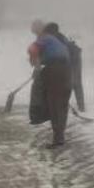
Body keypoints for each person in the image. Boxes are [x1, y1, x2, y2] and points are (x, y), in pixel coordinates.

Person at [28, 19, 72, 147]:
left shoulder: (45, 38)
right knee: (62, 103)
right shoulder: (56, 40)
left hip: (54, 70)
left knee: (54, 103)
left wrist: (36, 66)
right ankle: (59, 136)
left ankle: (57, 138)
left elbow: (32, 49)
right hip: (66, 70)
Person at [43, 22, 85, 112]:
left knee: (75, 82)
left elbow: (60, 56)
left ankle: (81, 107)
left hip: (74, 58)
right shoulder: (51, 40)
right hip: (66, 59)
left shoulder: (59, 40)